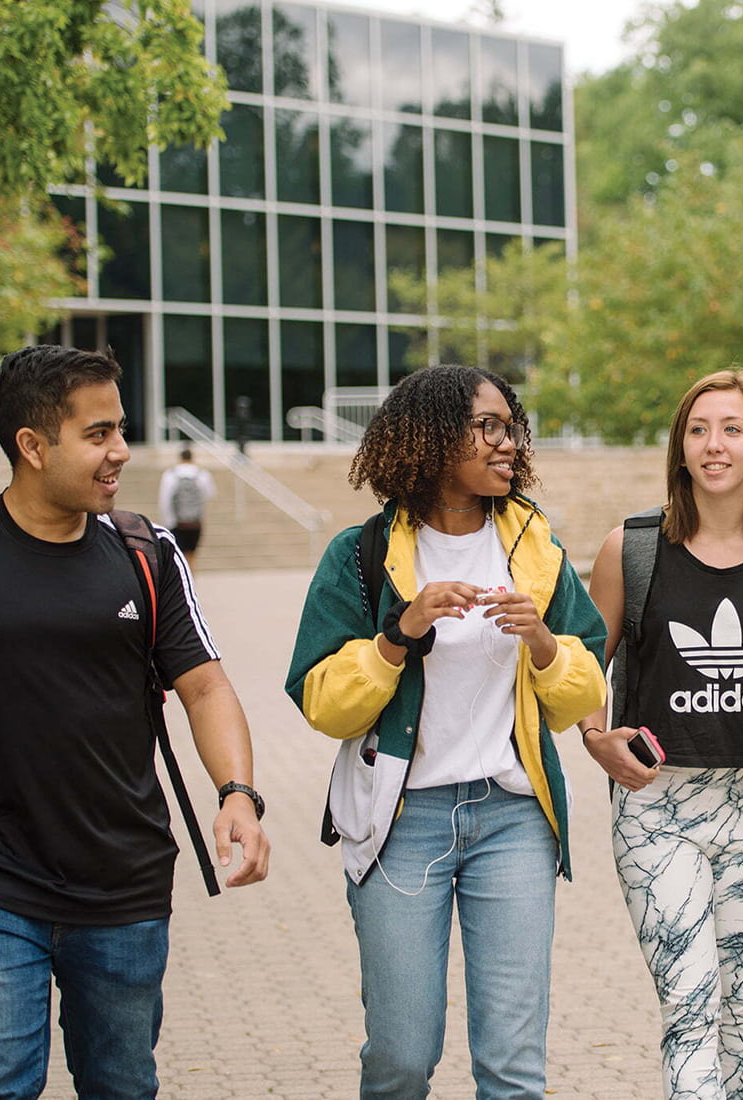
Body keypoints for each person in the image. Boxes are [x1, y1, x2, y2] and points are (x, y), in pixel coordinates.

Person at [0, 344, 270, 1099]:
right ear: (33, 444)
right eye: (99, 434)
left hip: (124, 881)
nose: (120, 451)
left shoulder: (147, 554)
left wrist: (238, 796)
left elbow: (206, 687)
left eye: (120, 429)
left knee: (119, 1084)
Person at [284, 365, 607, 1100]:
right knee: (401, 1057)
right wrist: (399, 634)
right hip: (404, 822)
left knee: (513, 1064)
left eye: (508, 426)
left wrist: (546, 645)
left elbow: (585, 688)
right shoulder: (361, 555)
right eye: (486, 427)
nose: (507, 443)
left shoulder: (535, 546)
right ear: (430, 441)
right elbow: (321, 702)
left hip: (513, 818)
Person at [578, 368, 743, 1100]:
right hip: (656, 807)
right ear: (680, 448)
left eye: (731, 429)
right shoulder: (631, 550)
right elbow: (578, 673)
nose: (713, 444)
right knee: (689, 1003)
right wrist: (597, 735)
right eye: (698, 430)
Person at [158, 446, 215, 570]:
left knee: (179, 556)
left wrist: (168, 521)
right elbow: (210, 493)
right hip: (195, 522)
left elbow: (165, 500)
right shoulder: (202, 474)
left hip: (177, 522)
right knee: (192, 555)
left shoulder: (170, 474)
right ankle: (192, 580)